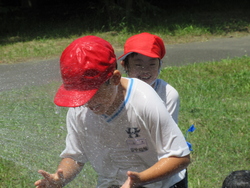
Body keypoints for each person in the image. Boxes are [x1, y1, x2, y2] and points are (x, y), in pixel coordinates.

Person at [34, 36, 190, 188]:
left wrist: (139, 179)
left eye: (92, 94)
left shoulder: (143, 101)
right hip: (112, 182)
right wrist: (60, 179)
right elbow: (75, 156)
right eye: (80, 96)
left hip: (160, 182)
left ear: (115, 79)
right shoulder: (80, 106)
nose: (87, 103)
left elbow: (180, 157)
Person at [118, 32, 179, 124]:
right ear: (125, 65)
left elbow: (167, 135)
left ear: (159, 65)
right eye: (138, 65)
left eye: (152, 64)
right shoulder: (115, 91)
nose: (145, 70)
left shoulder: (168, 95)